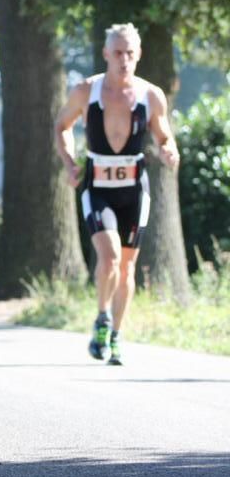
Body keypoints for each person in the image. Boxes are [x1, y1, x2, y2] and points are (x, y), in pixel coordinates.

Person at [54, 22, 180, 365]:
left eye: (130, 53)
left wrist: (169, 151)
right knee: (108, 257)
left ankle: (116, 335)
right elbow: (62, 126)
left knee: (126, 268)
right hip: (97, 185)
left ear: (138, 55)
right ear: (106, 54)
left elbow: (164, 135)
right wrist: (69, 162)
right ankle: (101, 316)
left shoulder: (150, 95)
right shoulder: (86, 91)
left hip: (134, 189)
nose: (124, 60)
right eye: (118, 53)